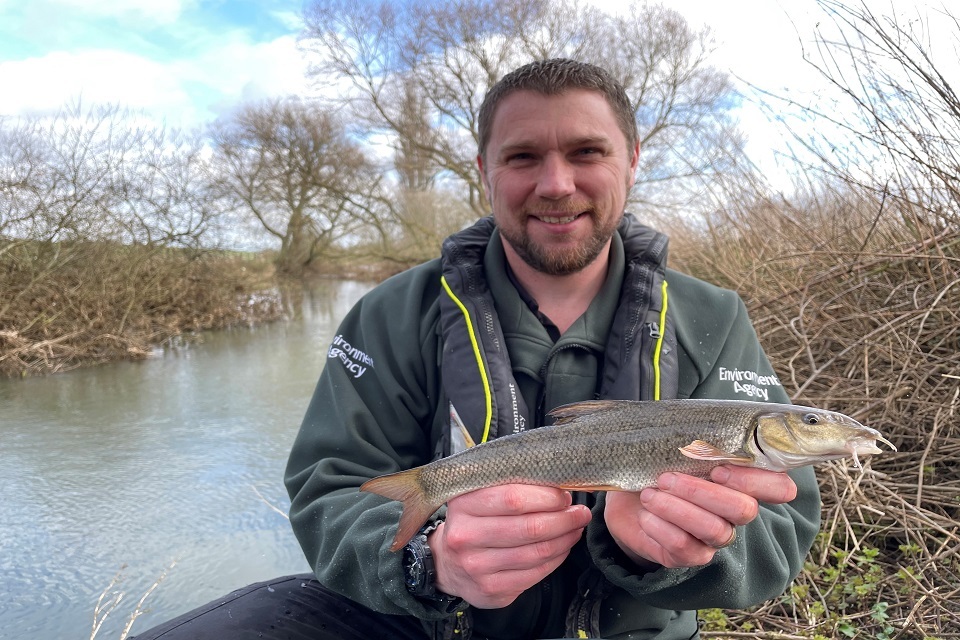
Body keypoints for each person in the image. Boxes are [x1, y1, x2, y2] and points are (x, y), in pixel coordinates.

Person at [131, 58, 820, 640]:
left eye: (587, 152)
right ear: (483, 168)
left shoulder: (713, 317)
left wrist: (675, 549)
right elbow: (330, 494)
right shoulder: (388, 313)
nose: (556, 184)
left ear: (632, 161)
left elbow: (782, 528)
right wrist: (429, 561)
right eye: (523, 157)